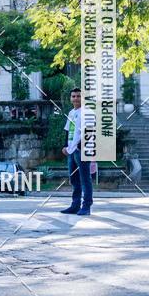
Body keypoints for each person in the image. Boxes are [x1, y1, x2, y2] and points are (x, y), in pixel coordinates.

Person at [60, 88, 93, 216]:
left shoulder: (88, 112)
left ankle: (86, 206)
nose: (75, 98)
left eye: (78, 96)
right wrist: (65, 146)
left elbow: (90, 131)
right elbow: (67, 130)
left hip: (82, 151)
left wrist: (80, 146)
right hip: (71, 150)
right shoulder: (71, 112)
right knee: (74, 179)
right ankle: (75, 205)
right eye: (73, 96)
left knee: (85, 179)